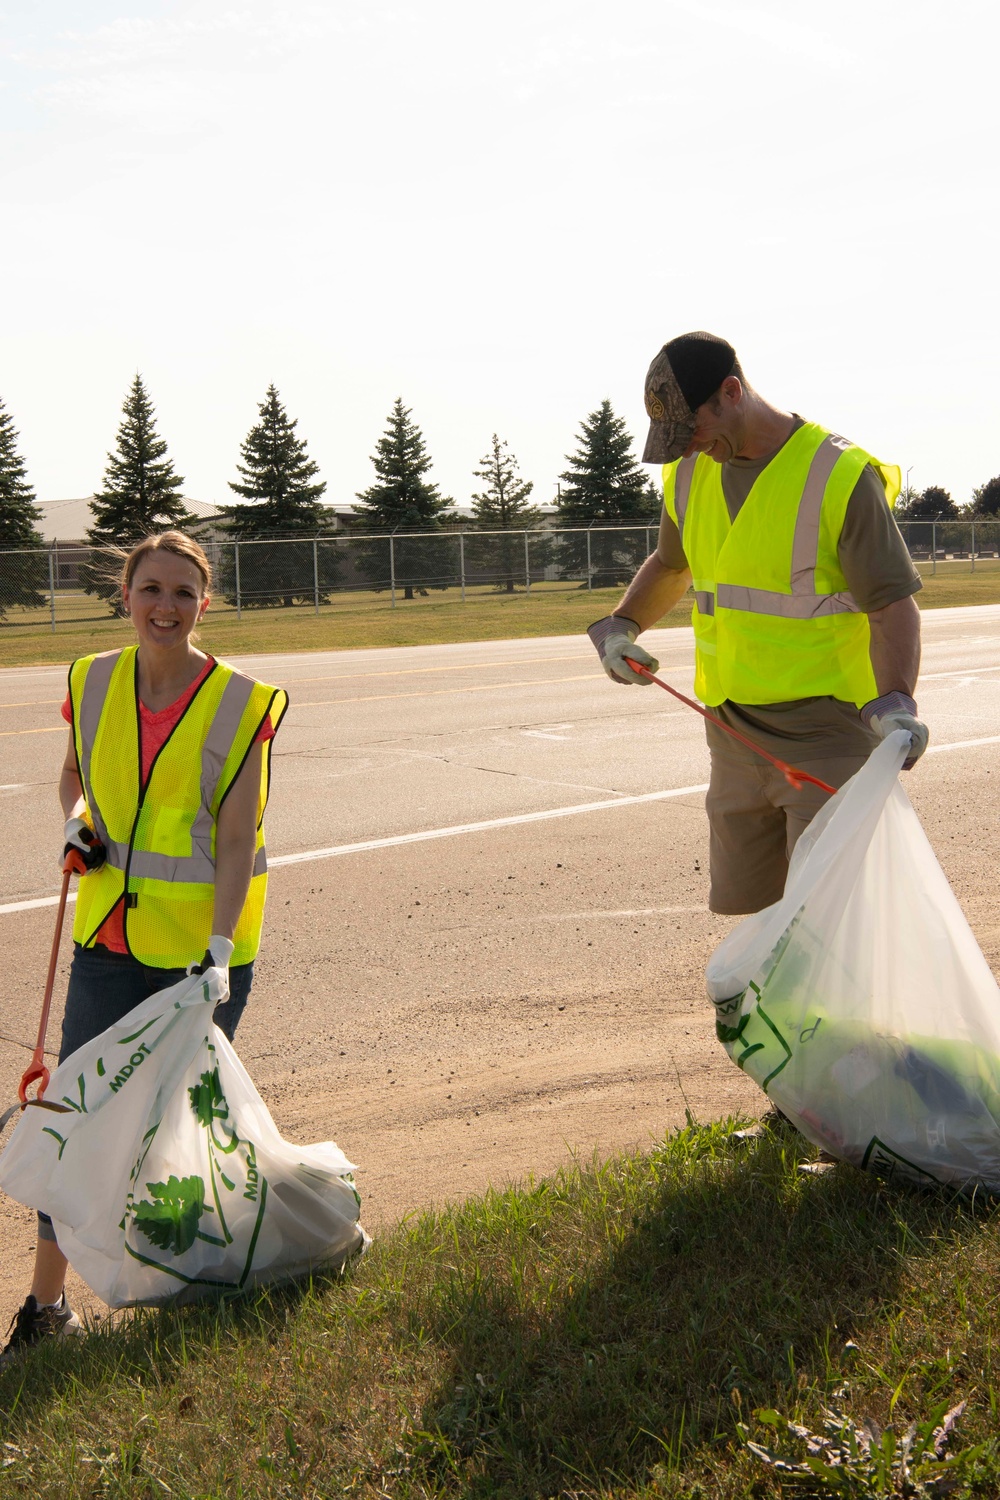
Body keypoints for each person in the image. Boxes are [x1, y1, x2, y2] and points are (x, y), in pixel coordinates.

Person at [1, 531, 287, 1365]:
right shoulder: (91, 680)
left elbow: (238, 842)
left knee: (176, 1132)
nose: (166, 606)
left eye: (184, 593)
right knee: (69, 1122)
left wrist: (221, 952)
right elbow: (74, 777)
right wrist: (78, 823)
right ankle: (44, 1307)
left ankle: (185, 1290)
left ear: (206, 603)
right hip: (105, 940)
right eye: (151, 589)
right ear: (125, 593)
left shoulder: (239, 702)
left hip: (202, 957)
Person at [587, 331, 929, 916]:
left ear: (731, 391)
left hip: (825, 732)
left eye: (692, 429)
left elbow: (891, 603)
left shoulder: (837, 474)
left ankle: (826, 1010)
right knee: (751, 911)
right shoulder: (690, 472)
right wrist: (622, 627)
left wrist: (897, 700)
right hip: (730, 729)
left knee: (825, 916)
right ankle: (765, 1007)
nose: (689, 447)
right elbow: (674, 563)